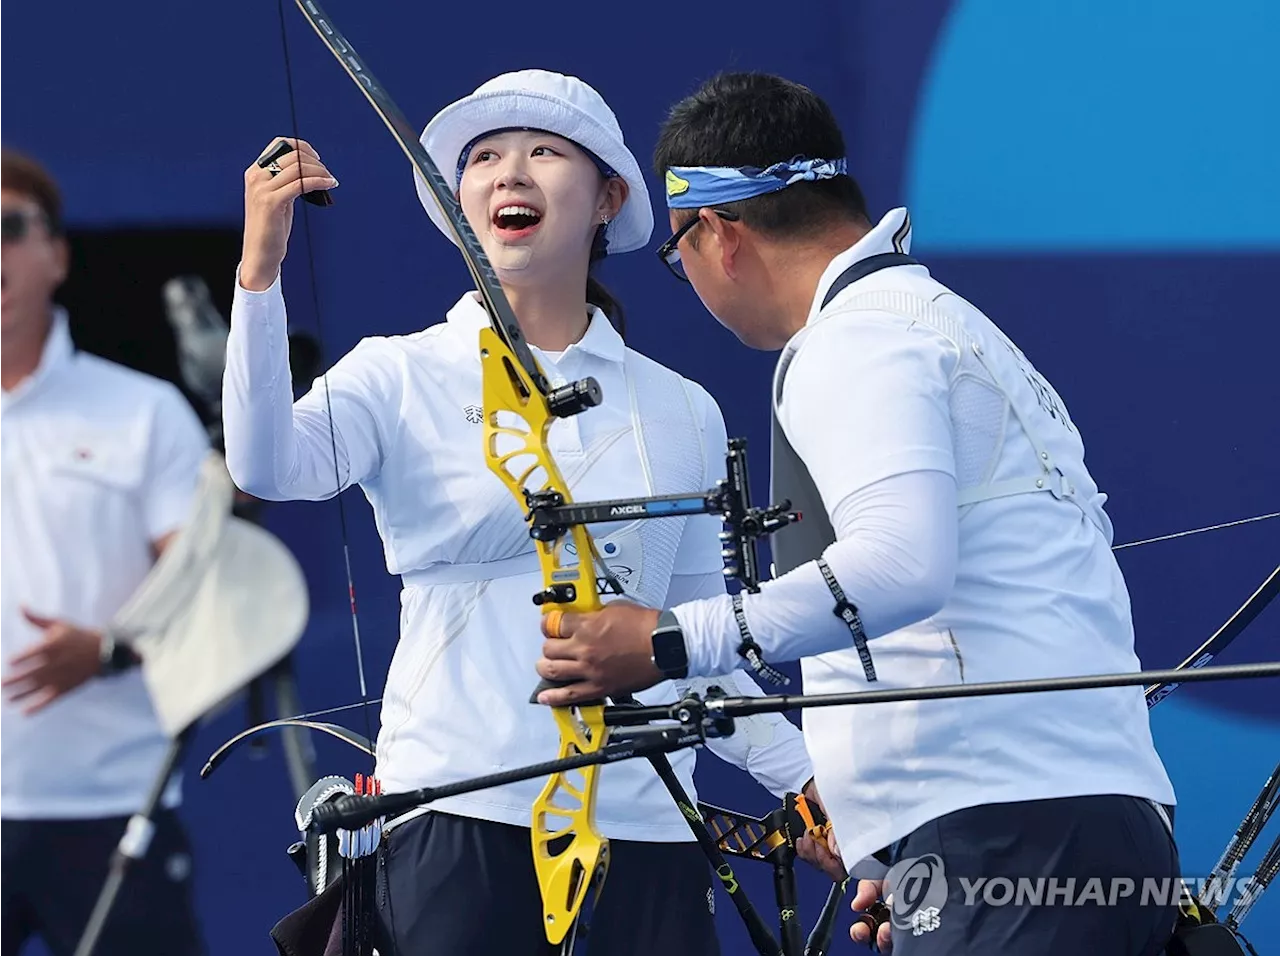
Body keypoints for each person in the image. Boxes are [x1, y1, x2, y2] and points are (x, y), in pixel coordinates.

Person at [533, 71, 1182, 956]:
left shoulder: (856, 340)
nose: (686, 276)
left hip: (1004, 825)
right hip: (1062, 824)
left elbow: (901, 565)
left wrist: (668, 641)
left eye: (674, 255)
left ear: (716, 235)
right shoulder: (939, 320)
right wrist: (892, 835)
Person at [222, 69, 816, 956]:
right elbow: (267, 464)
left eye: (543, 152)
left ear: (609, 196)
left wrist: (807, 782)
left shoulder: (683, 406)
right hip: (457, 811)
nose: (509, 175)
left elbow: (696, 644)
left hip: (651, 823)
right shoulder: (400, 372)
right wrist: (259, 272)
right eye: (485, 158)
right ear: (460, 199)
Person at [0, 148, 209, 955]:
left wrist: (113, 649)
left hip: (112, 805)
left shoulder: (143, 412)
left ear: (56, 252)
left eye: (8, 228)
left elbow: (204, 586)